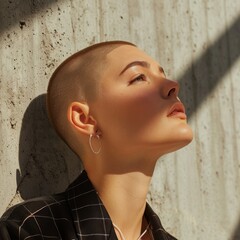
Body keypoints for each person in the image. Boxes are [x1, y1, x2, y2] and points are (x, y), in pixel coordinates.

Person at [0, 41, 193, 240]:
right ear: (86, 120)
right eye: (138, 78)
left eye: (162, 75)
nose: (173, 85)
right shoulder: (32, 229)